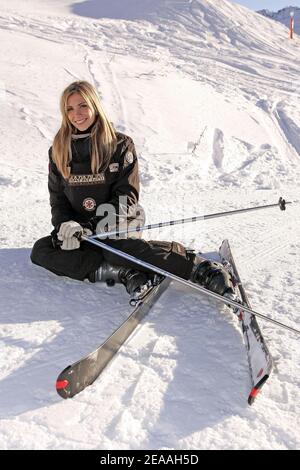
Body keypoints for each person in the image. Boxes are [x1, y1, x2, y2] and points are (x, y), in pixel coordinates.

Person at [31, 81, 233, 298]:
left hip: (119, 219)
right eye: (69, 109)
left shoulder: (119, 144)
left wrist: (92, 226)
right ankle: (123, 272)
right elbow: (58, 199)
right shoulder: (59, 149)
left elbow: (126, 196)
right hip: (80, 228)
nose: (76, 114)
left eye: (82, 106)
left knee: (113, 246)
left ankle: (198, 267)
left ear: (94, 106)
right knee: (42, 250)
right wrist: (65, 227)